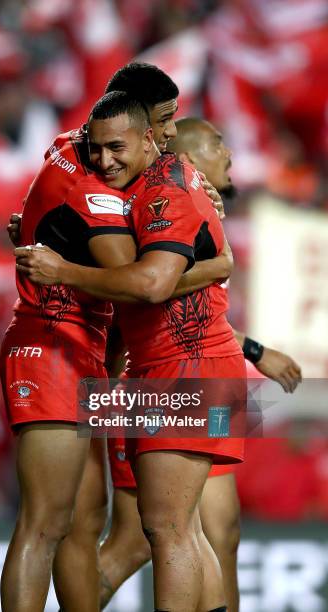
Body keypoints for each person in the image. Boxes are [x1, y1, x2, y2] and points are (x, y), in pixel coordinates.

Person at [1, 63, 231, 612]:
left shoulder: (130, 179)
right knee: (106, 526)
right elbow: (146, 282)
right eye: (167, 120)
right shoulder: (112, 190)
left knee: (167, 529)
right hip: (84, 354)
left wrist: (52, 248)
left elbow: (151, 282)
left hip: (164, 367)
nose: (173, 133)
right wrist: (218, 262)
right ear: (144, 127)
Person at [97, 117, 302, 612]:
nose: (229, 150)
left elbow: (194, 313)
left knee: (217, 530)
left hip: (201, 372)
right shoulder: (166, 205)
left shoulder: (203, 207)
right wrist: (257, 351)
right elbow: (153, 293)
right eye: (217, 142)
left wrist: (250, 350)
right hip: (156, 379)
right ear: (188, 157)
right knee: (148, 539)